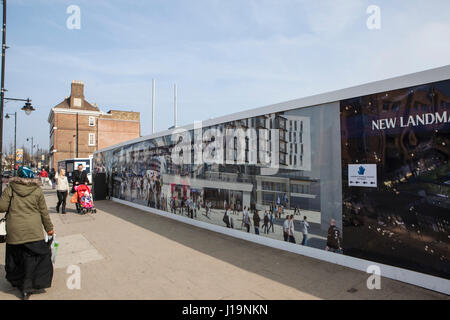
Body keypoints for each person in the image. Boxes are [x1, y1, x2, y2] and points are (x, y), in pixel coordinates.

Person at [0, 166, 54, 300]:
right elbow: (44, 212)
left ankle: (17, 282)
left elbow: (2, 207)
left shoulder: (10, 188)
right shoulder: (37, 190)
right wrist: (49, 228)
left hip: (14, 230)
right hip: (33, 230)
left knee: (16, 257)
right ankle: (27, 287)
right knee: (31, 258)